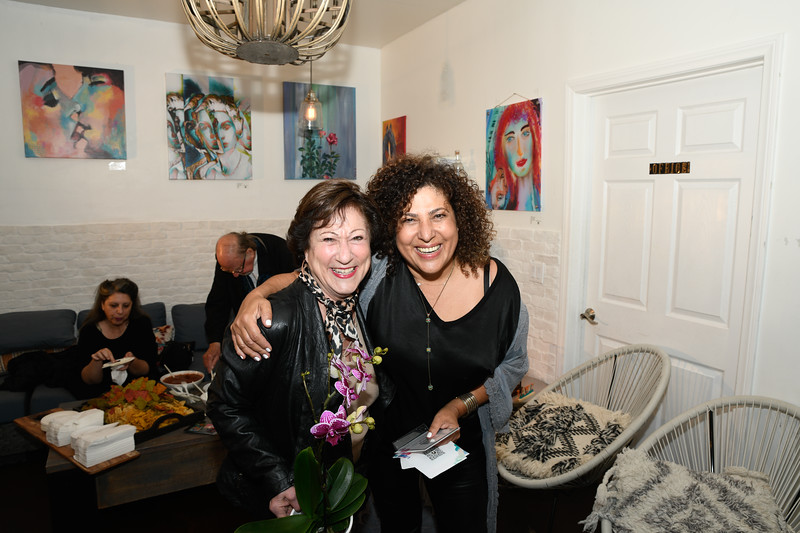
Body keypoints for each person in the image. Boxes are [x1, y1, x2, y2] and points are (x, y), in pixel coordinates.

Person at [229, 154, 529, 533]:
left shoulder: (497, 288)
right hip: (389, 443)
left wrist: (459, 405)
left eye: (438, 215)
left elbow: (512, 364)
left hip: (459, 444)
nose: (426, 233)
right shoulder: (379, 274)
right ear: (391, 227)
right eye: (409, 219)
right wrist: (256, 295)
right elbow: (311, 276)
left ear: (460, 219)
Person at [206, 179, 388, 519]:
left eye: (357, 238)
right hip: (286, 501)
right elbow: (225, 404)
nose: (346, 254)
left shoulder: (358, 307)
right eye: (329, 239)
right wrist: (279, 479)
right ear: (305, 247)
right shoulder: (273, 320)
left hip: (344, 487)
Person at [203, 232, 296, 374]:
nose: (234, 275)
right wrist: (215, 342)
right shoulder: (229, 263)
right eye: (230, 271)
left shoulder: (281, 251)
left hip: (284, 330)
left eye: (238, 269)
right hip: (249, 333)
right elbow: (218, 302)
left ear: (250, 253)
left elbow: (296, 294)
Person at [75, 278, 157, 398]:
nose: (120, 311)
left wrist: (133, 361)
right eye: (113, 305)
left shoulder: (141, 323)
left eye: (126, 306)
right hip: (102, 393)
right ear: (102, 305)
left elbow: (146, 370)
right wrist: (96, 360)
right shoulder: (89, 330)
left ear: (132, 305)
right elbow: (90, 380)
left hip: (137, 390)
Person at [488, 99, 541, 211]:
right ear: (502, 149)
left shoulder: (541, 198)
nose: (520, 151)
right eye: (510, 139)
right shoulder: (502, 201)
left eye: (525, 133)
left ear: (535, 138)